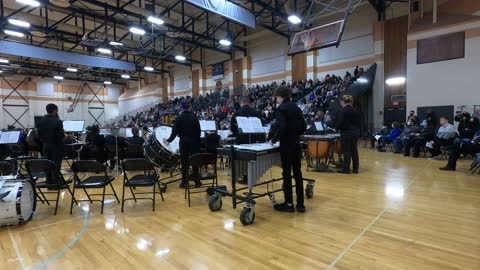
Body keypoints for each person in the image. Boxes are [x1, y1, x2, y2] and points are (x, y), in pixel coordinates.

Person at [269, 86, 307, 213]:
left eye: (277, 98)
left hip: (286, 145)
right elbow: (304, 126)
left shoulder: (281, 108)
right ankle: (300, 204)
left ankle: (289, 204)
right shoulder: (296, 107)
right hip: (296, 144)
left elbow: (282, 127)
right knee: (297, 173)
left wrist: (273, 140)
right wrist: (295, 133)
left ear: (280, 96)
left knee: (286, 174)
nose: (277, 100)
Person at [163, 101, 201, 188]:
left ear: (181, 108)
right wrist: (197, 141)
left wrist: (169, 140)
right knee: (194, 161)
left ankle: (184, 182)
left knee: (184, 162)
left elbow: (175, 131)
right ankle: (197, 182)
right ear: (189, 107)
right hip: (194, 141)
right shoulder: (194, 117)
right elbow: (198, 131)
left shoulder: (179, 118)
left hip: (183, 141)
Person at [37, 103, 64, 182]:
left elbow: (38, 135)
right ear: (55, 111)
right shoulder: (58, 121)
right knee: (56, 164)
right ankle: (56, 182)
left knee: (47, 164)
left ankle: (49, 182)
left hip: (45, 145)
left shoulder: (40, 121)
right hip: (56, 146)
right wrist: (66, 136)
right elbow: (60, 136)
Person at [334, 95, 361, 174]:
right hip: (355, 133)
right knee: (354, 150)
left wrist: (336, 128)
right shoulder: (355, 111)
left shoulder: (342, 111)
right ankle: (355, 169)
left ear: (343, 102)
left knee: (346, 151)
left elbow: (340, 122)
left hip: (346, 133)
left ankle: (346, 169)